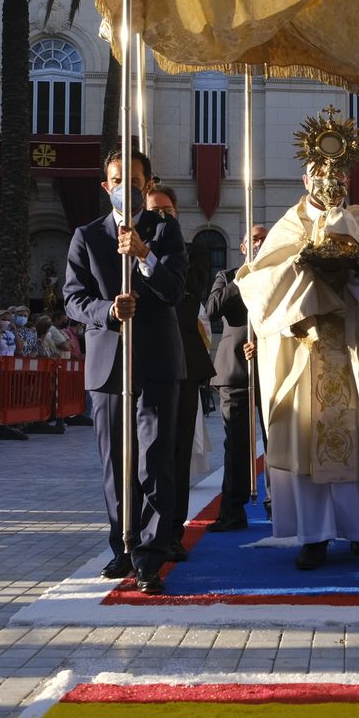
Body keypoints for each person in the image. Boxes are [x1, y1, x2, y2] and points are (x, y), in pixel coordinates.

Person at [237, 110, 359, 571]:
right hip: (305, 352)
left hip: (353, 352)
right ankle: (313, 537)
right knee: (307, 445)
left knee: (357, 439)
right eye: (319, 171)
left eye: (337, 172)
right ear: (305, 176)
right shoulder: (288, 225)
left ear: (347, 176)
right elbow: (257, 285)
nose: (328, 180)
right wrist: (301, 264)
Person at [64, 148, 187, 594]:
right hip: (108, 366)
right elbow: (73, 299)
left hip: (155, 361)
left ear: (147, 185)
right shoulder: (86, 236)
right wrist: (108, 311)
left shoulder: (165, 231)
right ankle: (123, 544)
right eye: (117, 180)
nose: (125, 188)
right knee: (116, 464)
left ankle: (150, 557)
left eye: (133, 181)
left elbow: (175, 290)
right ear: (106, 185)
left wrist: (144, 256)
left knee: (154, 461)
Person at [147, 183, 215, 561]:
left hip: (183, 363)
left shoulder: (193, 252)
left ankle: (172, 531)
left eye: (167, 211)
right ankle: (139, 531)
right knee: (143, 454)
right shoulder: (126, 252)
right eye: (153, 211)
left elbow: (185, 295)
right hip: (141, 362)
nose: (161, 217)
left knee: (176, 453)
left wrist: (149, 257)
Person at [206, 225, 268, 532]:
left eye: (264, 239)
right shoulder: (227, 276)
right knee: (237, 446)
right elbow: (212, 309)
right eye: (253, 239)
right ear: (243, 247)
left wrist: (265, 342)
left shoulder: (280, 276)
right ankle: (232, 511)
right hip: (235, 371)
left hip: (271, 369)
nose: (258, 243)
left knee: (278, 442)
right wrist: (242, 279)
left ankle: (280, 504)